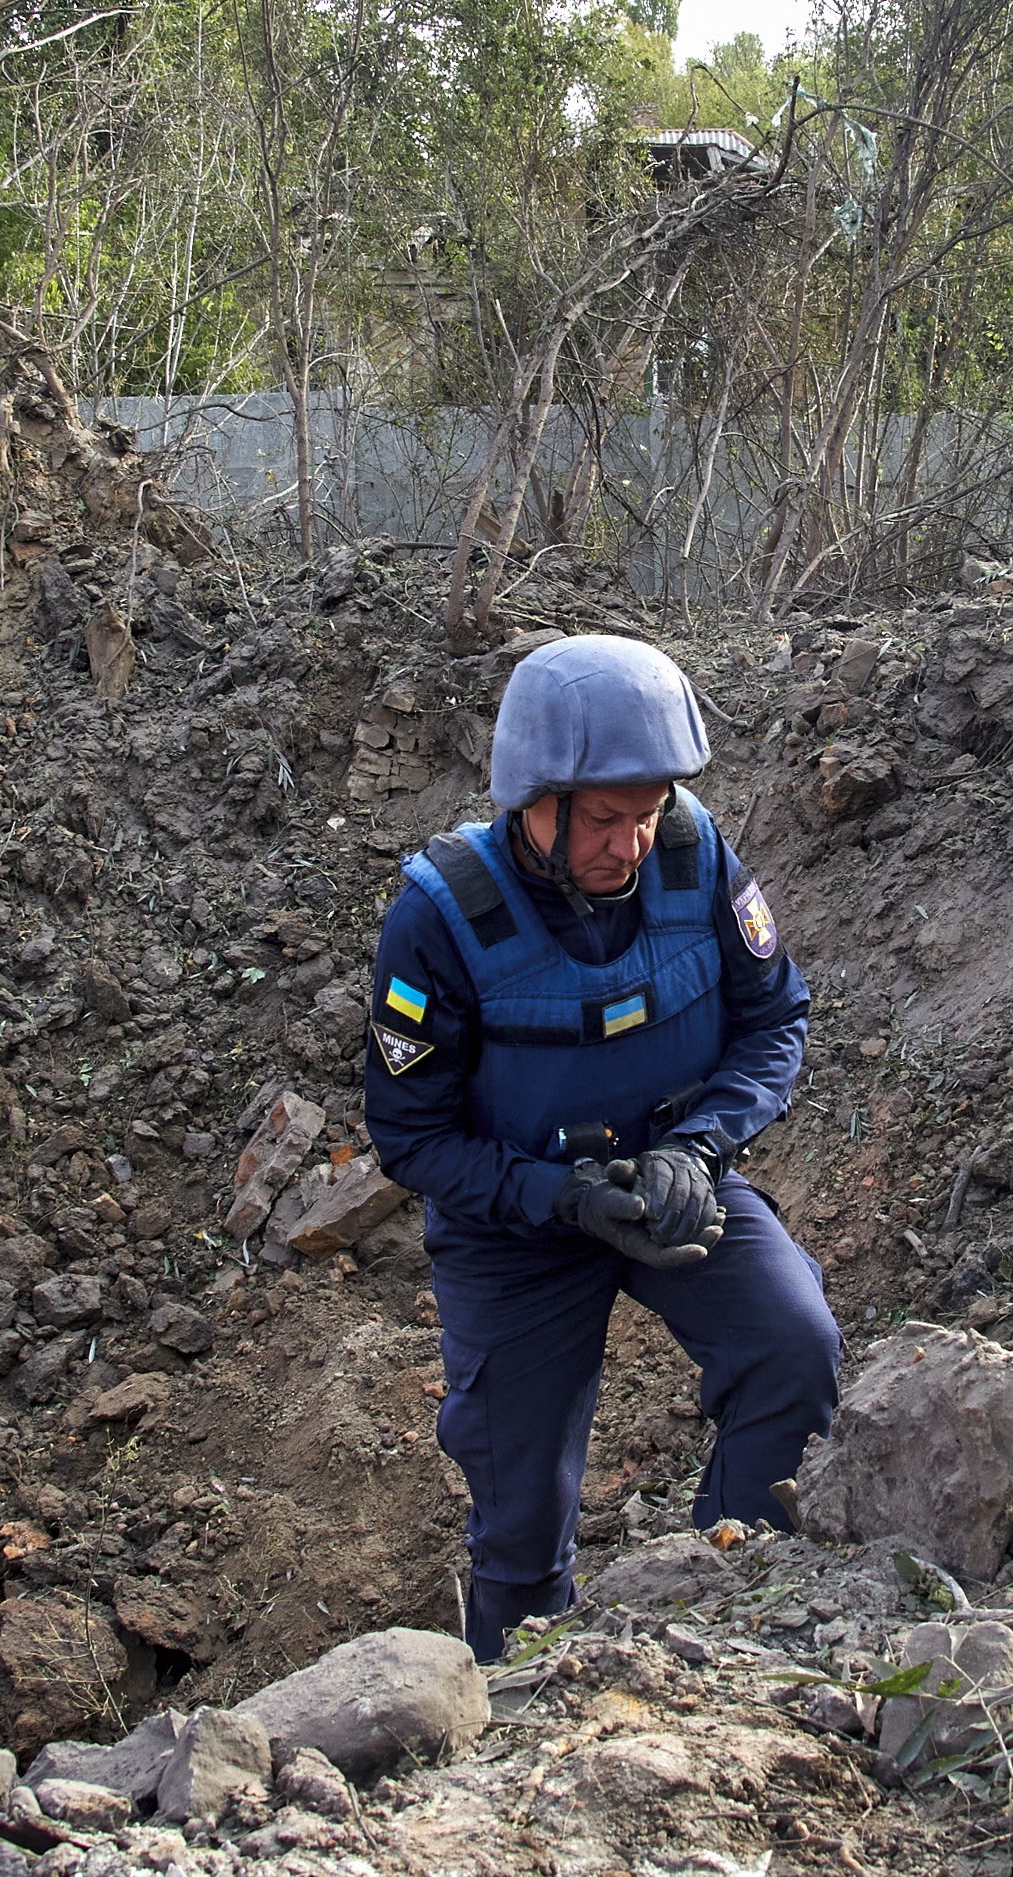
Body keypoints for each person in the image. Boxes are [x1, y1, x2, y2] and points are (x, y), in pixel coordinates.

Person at [362, 634, 839, 1663]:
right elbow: (411, 1135)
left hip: (671, 1181)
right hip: (516, 1228)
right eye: (600, 819)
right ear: (530, 797)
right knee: (522, 1516)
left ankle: (732, 1614)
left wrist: (699, 1149)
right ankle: (511, 1709)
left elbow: (775, 1020)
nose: (628, 845)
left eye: (646, 811)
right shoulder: (439, 920)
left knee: (791, 1346)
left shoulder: (693, 853)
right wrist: (557, 1197)